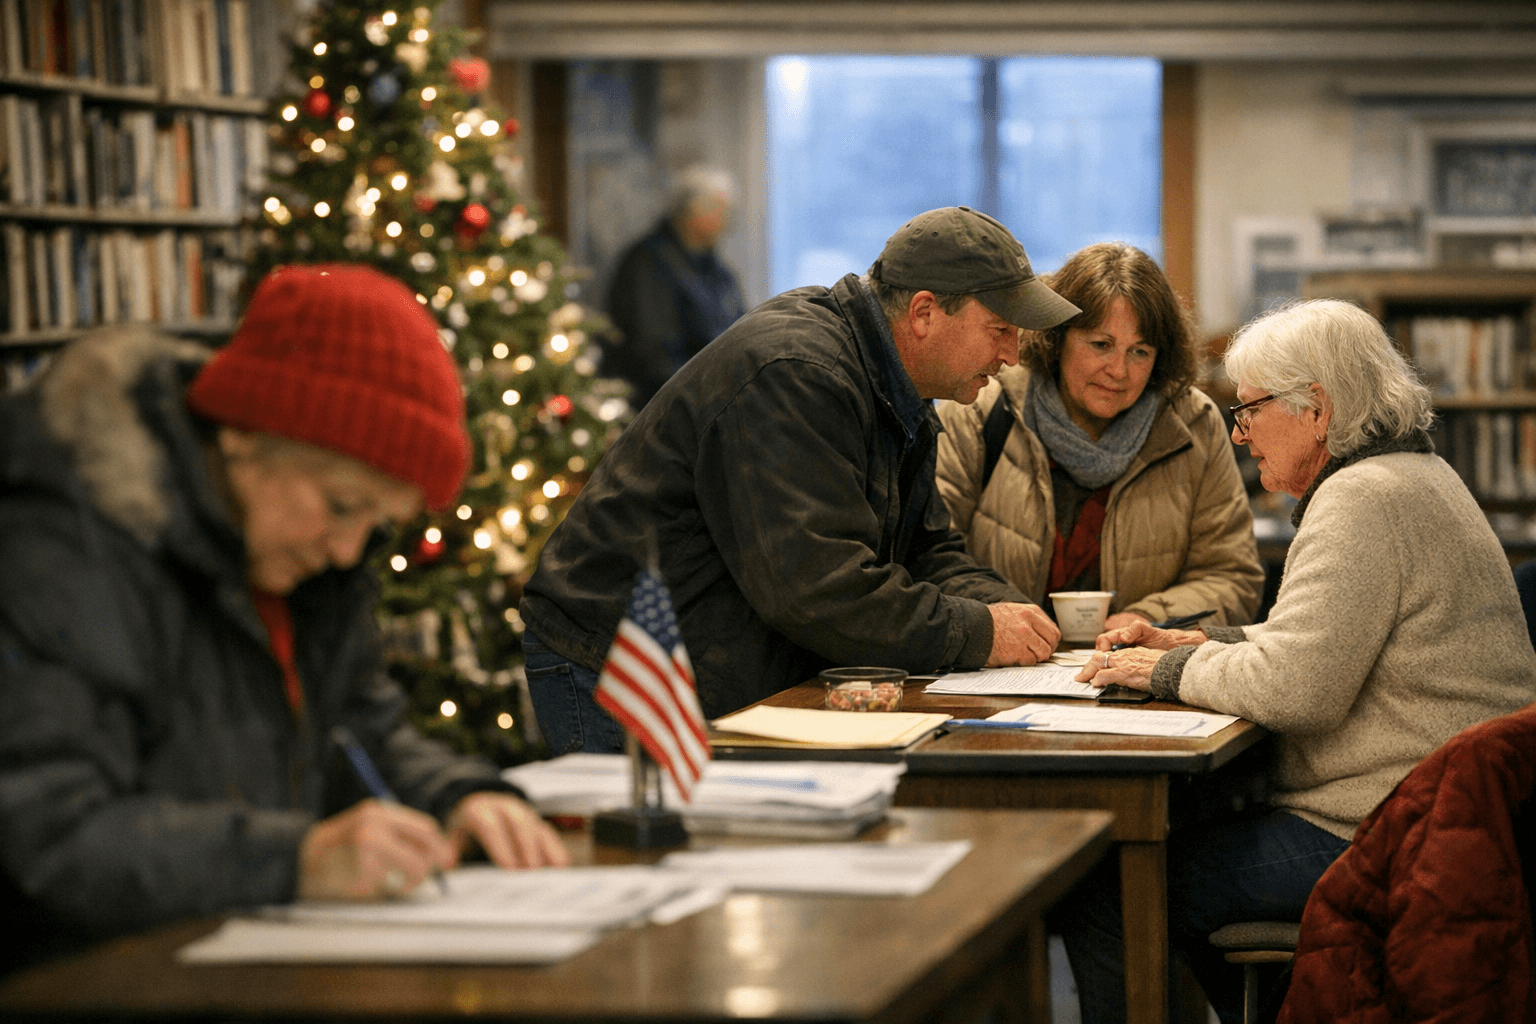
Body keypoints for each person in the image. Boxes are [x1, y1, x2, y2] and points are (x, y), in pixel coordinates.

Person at [0, 264, 568, 973]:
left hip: (223, 971)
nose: (344, 550)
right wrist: (292, 858)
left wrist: (460, 795)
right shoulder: (65, 548)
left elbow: (362, 731)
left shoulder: (294, 565)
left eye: (376, 524)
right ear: (244, 434)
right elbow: (43, 832)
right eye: (338, 505)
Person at [1059, 298, 1536, 1024]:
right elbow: (1321, 642)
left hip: (1384, 830)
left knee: (1115, 888)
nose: (1238, 430)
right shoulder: (1414, 477)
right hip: (1445, 820)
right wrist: (1202, 645)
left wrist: (1162, 672)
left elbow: (1299, 689)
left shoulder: (1360, 499)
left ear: (1315, 408)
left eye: (1249, 409)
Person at [520, 206, 1082, 753]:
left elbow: (926, 550)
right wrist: (978, 631)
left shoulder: (894, 382)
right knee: (653, 848)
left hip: (705, 657)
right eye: (1000, 329)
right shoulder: (798, 374)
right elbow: (819, 589)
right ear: (924, 313)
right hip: (618, 666)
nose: (1011, 354)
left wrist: (1017, 623)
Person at [934, 241, 1262, 630]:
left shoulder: (1192, 424)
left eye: (1139, 351)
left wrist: (1147, 619)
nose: (1119, 371)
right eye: (1101, 345)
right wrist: (1002, 620)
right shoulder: (982, 408)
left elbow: (1232, 577)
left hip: (1134, 668)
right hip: (997, 666)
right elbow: (930, 557)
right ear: (1057, 338)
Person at [602, 164, 748, 408]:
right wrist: (710, 397)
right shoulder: (647, 264)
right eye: (722, 209)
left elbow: (738, 325)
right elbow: (654, 353)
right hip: (666, 407)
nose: (728, 220)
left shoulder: (712, 266)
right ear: (694, 209)